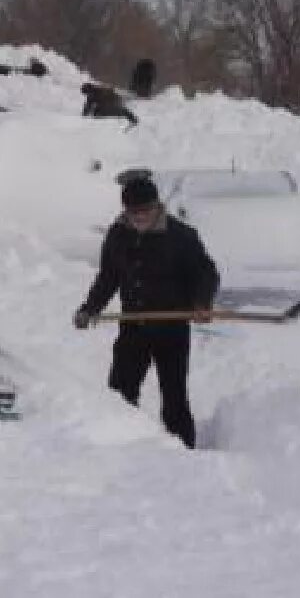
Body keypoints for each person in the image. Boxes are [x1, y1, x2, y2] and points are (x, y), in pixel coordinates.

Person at [73, 176, 220, 448]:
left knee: (174, 396)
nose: (140, 217)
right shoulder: (118, 235)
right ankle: (121, 446)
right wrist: (91, 307)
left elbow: (205, 273)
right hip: (134, 326)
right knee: (120, 392)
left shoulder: (181, 236)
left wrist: (201, 303)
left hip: (171, 329)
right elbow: (109, 277)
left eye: (146, 211)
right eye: (133, 212)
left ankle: (184, 452)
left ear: (157, 207)